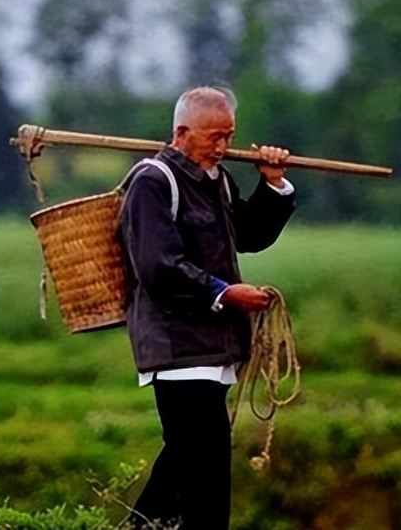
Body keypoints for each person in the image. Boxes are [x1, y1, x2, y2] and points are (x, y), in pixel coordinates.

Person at [119, 86, 296, 529]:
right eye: (213, 137)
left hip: (214, 346)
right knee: (204, 465)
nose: (222, 148)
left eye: (228, 137)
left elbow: (249, 236)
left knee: (189, 459)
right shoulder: (152, 182)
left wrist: (273, 183)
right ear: (181, 132)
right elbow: (159, 267)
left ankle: (142, 525)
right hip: (176, 348)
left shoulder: (217, 180)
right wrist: (224, 292)